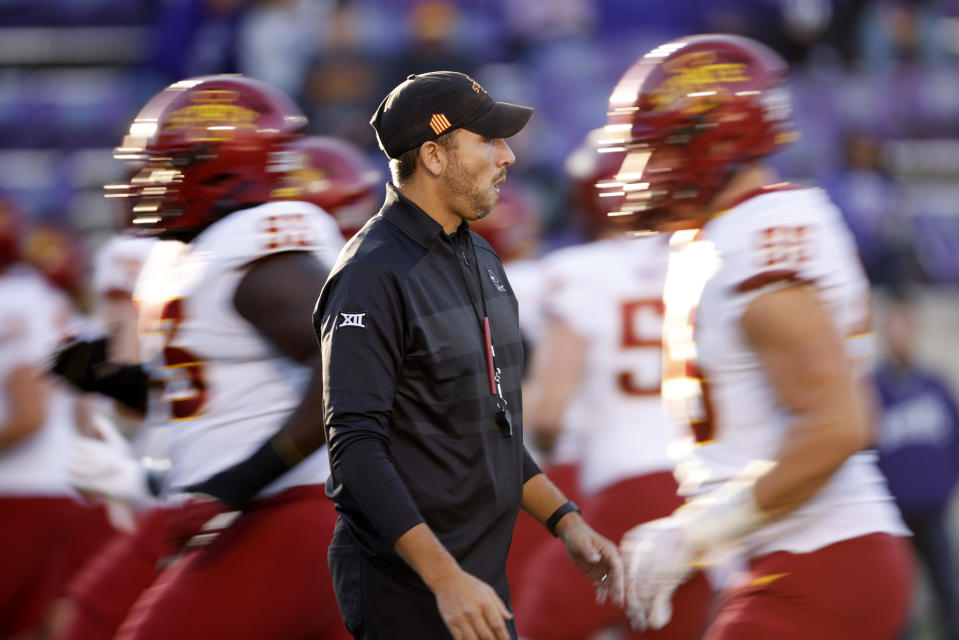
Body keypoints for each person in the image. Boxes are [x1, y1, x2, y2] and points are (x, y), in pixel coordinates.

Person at [602, 34, 914, 639]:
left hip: (823, 559)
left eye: (658, 150)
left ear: (719, 141)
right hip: (792, 561)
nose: (640, 172)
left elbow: (839, 426)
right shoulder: (724, 235)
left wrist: (696, 532)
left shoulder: (756, 241)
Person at [314, 70, 625, 640]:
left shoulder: (479, 256)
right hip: (412, 585)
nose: (507, 156)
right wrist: (444, 579)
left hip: (475, 577)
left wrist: (566, 521)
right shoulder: (370, 275)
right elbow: (354, 451)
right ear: (434, 156)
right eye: (488, 140)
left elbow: (491, 427)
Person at [50, 75, 351, 640]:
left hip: (290, 511)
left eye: (168, 167)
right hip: (275, 513)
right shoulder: (205, 254)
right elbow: (210, 394)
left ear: (222, 168)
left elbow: (353, 360)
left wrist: (236, 482)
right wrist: (110, 378)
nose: (149, 183)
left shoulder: (256, 240)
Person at [513, 134, 712, 640]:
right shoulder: (699, 259)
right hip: (707, 484)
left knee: (537, 613)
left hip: (630, 483)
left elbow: (549, 414)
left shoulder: (578, 272)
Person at [874, 295, 959, 640]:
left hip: (934, 511)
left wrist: (944, 484)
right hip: (895, 518)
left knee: (948, 589)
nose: (900, 335)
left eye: (905, 327)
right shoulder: (873, 389)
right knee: (899, 599)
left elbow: (953, 437)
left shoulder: (933, 384)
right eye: (893, 328)